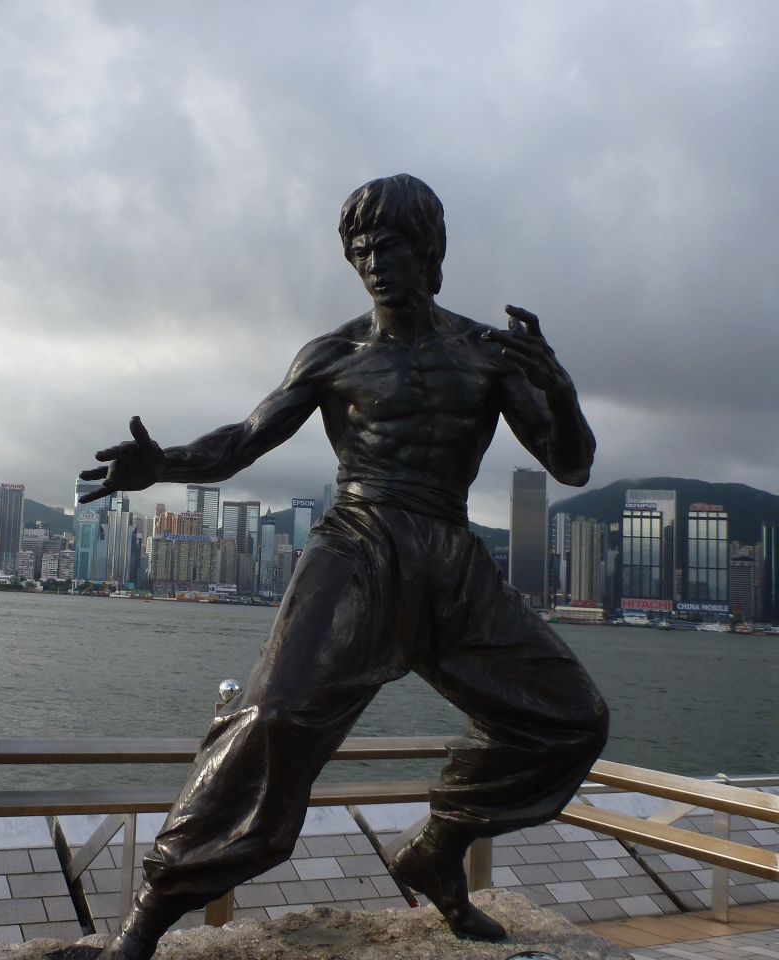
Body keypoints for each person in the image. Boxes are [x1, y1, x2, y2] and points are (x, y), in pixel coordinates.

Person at [78, 174, 609, 954]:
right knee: (270, 719)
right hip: (357, 547)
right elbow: (243, 442)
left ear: (427, 247)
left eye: (387, 246)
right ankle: (146, 922)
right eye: (359, 251)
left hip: (449, 559)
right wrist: (165, 464)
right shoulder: (333, 355)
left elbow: (572, 465)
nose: (372, 264)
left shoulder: (487, 357)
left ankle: (436, 850)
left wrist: (558, 388)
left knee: (570, 718)